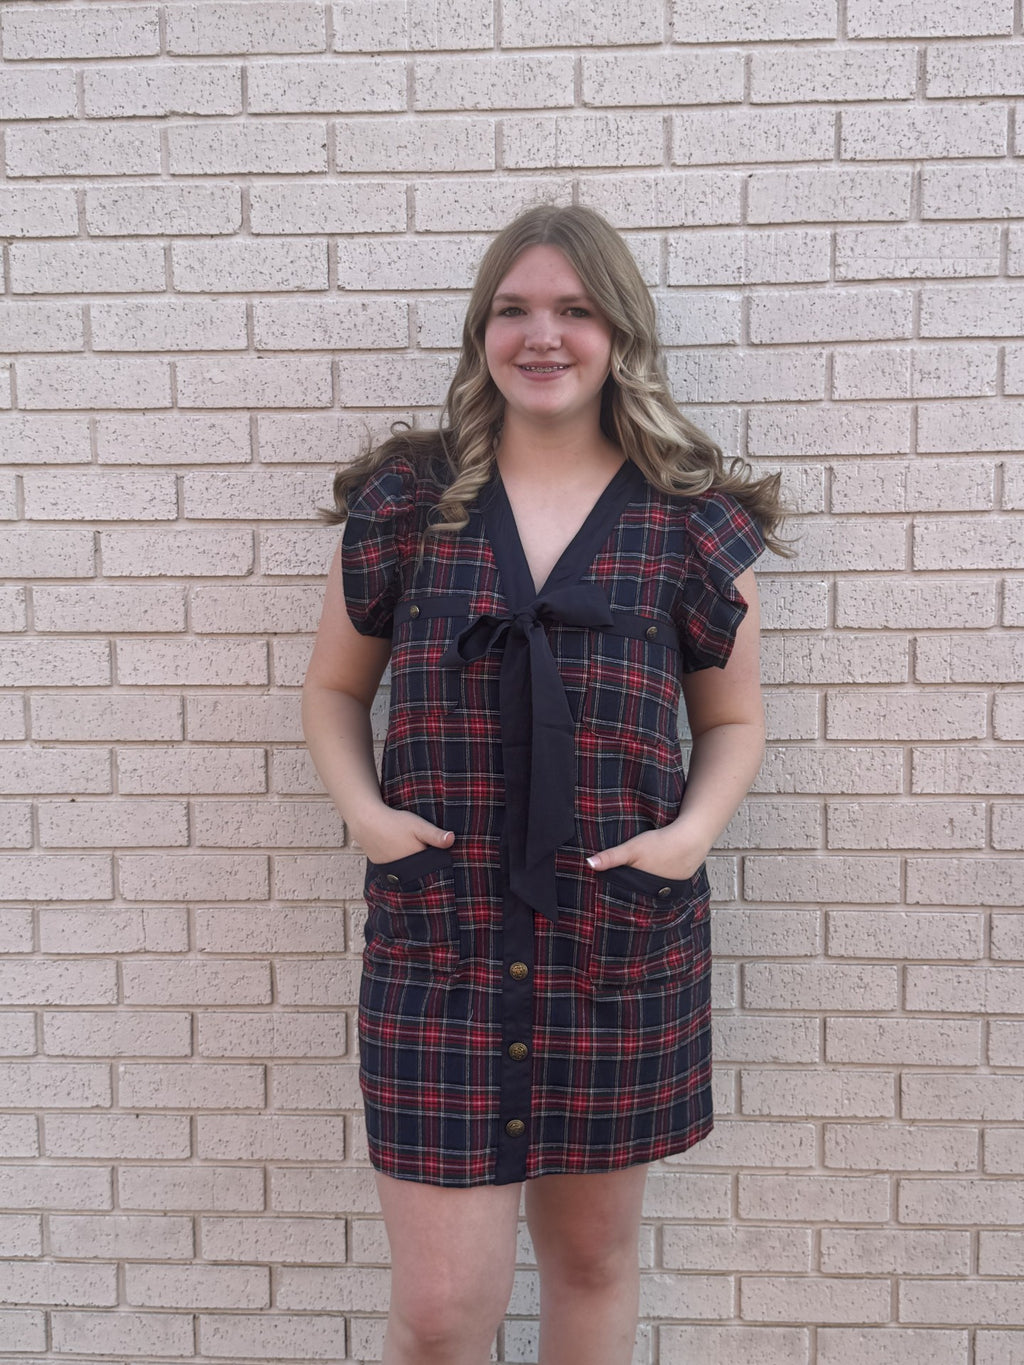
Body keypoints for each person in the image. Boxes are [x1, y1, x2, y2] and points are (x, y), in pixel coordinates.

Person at [302, 204, 789, 1365]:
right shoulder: (407, 505)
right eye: (513, 309)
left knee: (588, 1266)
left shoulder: (685, 521)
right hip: (442, 942)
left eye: (574, 310)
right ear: (481, 334)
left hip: (613, 944)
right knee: (438, 1315)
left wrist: (686, 840)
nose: (542, 336)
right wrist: (369, 819)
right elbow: (330, 691)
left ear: (619, 332)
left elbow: (731, 719)